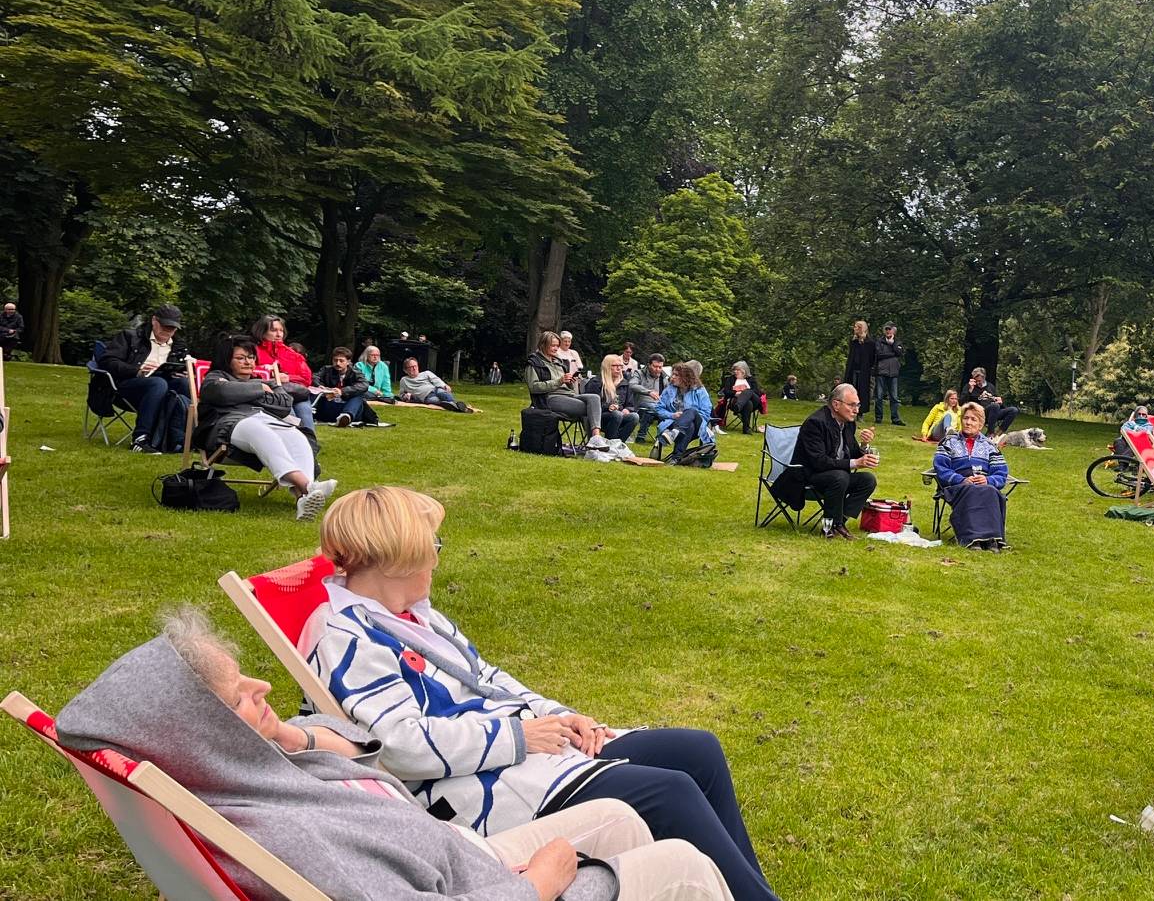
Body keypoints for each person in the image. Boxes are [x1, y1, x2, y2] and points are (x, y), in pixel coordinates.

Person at [57, 608, 736, 901]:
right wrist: (538, 882)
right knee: (680, 861)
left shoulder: (245, 776)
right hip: (483, 883)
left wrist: (295, 735)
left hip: (455, 859)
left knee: (620, 811)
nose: (264, 687)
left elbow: (354, 737)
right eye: (240, 697)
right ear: (199, 735)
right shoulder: (287, 831)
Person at [304, 488, 777, 899]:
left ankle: (750, 891)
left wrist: (564, 717)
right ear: (398, 557)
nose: (436, 555)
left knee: (697, 750)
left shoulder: (415, 616)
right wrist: (520, 735)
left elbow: (488, 677)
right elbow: (399, 747)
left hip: (529, 751)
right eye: (433, 545)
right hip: (480, 787)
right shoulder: (346, 638)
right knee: (669, 793)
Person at [199, 336, 335, 520]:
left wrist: (246, 392)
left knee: (295, 435)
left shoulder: (269, 382)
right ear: (227, 360)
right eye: (240, 358)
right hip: (230, 425)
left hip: (268, 420)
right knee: (258, 430)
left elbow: (284, 404)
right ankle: (308, 486)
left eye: (251, 357)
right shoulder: (215, 378)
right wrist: (259, 389)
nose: (248, 362)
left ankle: (304, 498)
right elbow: (222, 393)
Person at [781, 384, 878, 539]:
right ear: (836, 404)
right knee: (840, 476)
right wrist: (855, 463)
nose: (856, 410)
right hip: (807, 476)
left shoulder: (848, 423)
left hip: (836, 478)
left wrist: (864, 446)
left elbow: (852, 453)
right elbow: (819, 462)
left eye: (858, 405)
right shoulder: (816, 423)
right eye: (852, 405)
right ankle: (830, 527)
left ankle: (838, 523)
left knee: (867, 480)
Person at [98, 305, 190, 454]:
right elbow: (108, 361)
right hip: (126, 386)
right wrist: (137, 371)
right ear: (154, 321)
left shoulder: (179, 346)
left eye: (172, 328)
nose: (168, 331)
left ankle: (182, 438)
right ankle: (140, 439)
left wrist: (182, 372)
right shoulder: (130, 337)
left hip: (162, 386)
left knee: (184, 383)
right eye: (165, 326)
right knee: (157, 383)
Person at [932, 403, 1012, 550]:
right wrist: (961, 479)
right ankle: (972, 538)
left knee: (990, 490)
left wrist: (988, 480)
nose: (968, 422)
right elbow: (941, 469)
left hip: (983, 484)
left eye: (974, 419)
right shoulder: (948, 442)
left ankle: (991, 539)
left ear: (981, 424)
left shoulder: (990, 446)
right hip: (956, 486)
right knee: (972, 489)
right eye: (966, 418)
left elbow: (1001, 473)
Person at [527, 331, 611, 448]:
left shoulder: (558, 362)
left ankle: (595, 438)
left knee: (594, 398)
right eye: (553, 345)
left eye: (557, 345)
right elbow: (534, 387)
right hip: (550, 398)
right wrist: (560, 381)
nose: (556, 348)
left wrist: (570, 382)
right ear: (543, 344)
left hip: (569, 395)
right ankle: (594, 441)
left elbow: (566, 385)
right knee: (589, 408)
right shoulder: (534, 363)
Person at [251, 315, 317, 431]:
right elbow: (247, 374)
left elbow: (306, 378)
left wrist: (288, 377)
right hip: (272, 394)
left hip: (295, 393)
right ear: (262, 332)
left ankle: (310, 444)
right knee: (290, 417)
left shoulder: (292, 354)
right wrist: (270, 375)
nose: (278, 334)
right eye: (273, 330)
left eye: (281, 330)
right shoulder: (252, 351)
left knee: (306, 418)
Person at [655, 361, 715, 460]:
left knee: (691, 411)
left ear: (686, 377)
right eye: (672, 374)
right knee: (688, 426)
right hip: (673, 422)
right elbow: (658, 408)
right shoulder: (669, 390)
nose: (672, 377)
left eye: (676, 375)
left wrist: (686, 416)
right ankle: (676, 457)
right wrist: (672, 415)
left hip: (698, 425)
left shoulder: (700, 390)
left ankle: (674, 433)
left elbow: (706, 413)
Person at [312, 347, 379, 427]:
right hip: (329, 405)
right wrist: (320, 387)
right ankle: (310, 413)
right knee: (313, 391)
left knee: (358, 395)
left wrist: (342, 391)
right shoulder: (326, 370)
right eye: (335, 360)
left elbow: (364, 385)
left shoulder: (355, 373)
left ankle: (346, 416)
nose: (338, 363)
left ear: (348, 362)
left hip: (350, 407)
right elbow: (314, 377)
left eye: (341, 361)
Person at [594, 354, 642, 445]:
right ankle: (610, 444)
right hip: (599, 418)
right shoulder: (596, 382)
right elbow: (592, 404)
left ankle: (618, 444)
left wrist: (627, 409)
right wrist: (608, 407)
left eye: (620, 366)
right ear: (607, 367)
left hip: (618, 415)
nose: (619, 368)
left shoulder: (624, 383)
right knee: (617, 414)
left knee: (634, 417)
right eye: (615, 366)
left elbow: (631, 404)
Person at [628, 354, 674, 444]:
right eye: (655, 366)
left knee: (669, 409)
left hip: (657, 405)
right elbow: (632, 385)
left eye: (660, 367)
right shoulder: (639, 373)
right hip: (640, 404)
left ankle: (659, 437)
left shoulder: (663, 377)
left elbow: (669, 392)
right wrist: (648, 392)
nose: (658, 369)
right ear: (649, 365)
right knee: (656, 409)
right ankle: (661, 436)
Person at [960, 367, 1020, 436]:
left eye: (980, 380)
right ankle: (990, 433)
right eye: (976, 381)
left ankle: (999, 433)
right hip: (978, 412)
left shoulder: (990, 386)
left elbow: (998, 403)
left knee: (1013, 410)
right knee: (994, 406)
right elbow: (962, 402)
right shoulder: (969, 386)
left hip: (993, 413)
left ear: (984, 378)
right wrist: (970, 390)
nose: (978, 383)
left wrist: (1000, 402)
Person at [397, 357, 469, 412]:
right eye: (411, 367)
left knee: (444, 393)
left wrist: (445, 386)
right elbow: (401, 394)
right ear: (405, 370)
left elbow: (436, 380)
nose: (414, 368)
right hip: (425, 396)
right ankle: (457, 407)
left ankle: (455, 405)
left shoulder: (426, 373)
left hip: (435, 389)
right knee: (437, 401)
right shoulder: (404, 380)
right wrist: (405, 396)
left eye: (415, 366)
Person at [869, 324, 904, 426]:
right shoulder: (879, 341)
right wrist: (893, 353)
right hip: (881, 371)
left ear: (894, 331)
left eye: (890, 329)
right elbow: (879, 355)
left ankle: (895, 418)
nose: (888, 331)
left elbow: (900, 352)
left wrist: (892, 345)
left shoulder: (897, 342)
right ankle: (878, 417)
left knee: (894, 397)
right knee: (879, 396)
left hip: (893, 372)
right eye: (886, 329)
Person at [723, 361, 763, 435]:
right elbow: (726, 392)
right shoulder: (731, 379)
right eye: (734, 370)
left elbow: (758, 392)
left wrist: (744, 393)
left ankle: (739, 406)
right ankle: (746, 429)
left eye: (738, 370)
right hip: (736, 401)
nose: (735, 371)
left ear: (744, 370)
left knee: (748, 391)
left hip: (754, 402)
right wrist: (735, 393)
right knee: (748, 404)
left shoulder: (751, 379)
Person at [842, 320, 874, 400]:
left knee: (861, 390)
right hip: (853, 369)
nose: (854, 328)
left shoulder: (869, 342)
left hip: (863, 370)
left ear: (861, 328)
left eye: (856, 327)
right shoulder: (853, 341)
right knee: (851, 389)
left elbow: (871, 357)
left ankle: (860, 409)